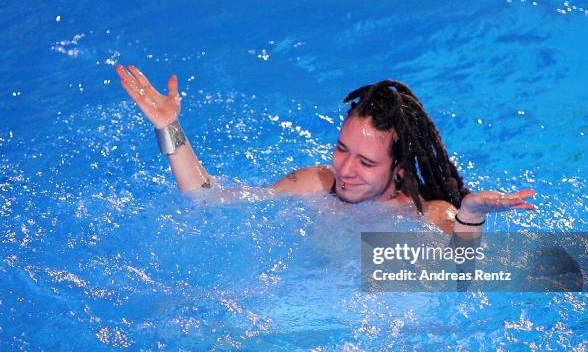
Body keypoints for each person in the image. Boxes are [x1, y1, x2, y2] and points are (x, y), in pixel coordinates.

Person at [115, 64, 536, 234]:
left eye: (367, 161)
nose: (346, 169)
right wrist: (170, 128)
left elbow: (464, 272)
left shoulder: (425, 214)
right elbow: (208, 198)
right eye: (341, 149)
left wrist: (472, 215)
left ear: (400, 170)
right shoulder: (317, 184)